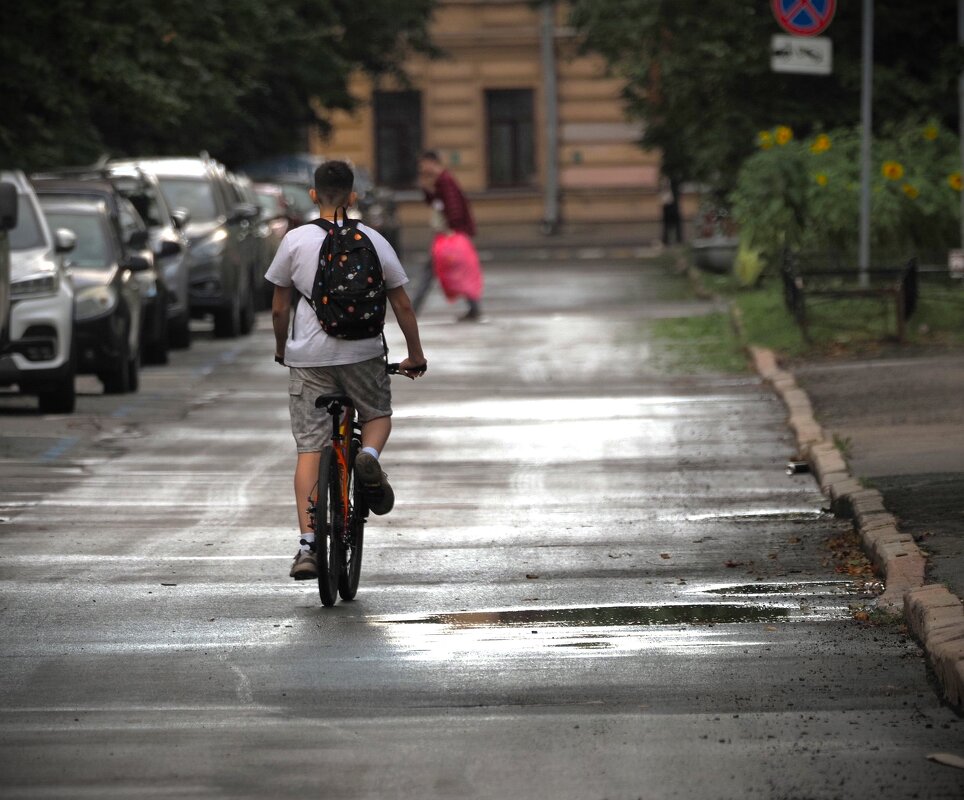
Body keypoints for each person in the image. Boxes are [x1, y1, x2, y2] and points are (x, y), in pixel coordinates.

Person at [266, 160, 427, 580]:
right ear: (353, 196)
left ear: (314, 195)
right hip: (364, 354)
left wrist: (284, 349)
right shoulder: (373, 238)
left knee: (310, 449)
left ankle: (308, 547)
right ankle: (368, 458)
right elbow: (402, 303)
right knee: (376, 416)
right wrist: (415, 354)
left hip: (309, 361)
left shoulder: (294, 240)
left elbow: (280, 306)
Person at [414, 150, 483, 321]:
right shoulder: (441, 181)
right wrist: (426, 188)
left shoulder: (445, 181)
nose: (422, 168)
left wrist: (452, 230)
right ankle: (474, 308)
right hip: (449, 235)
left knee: (431, 270)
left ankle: (412, 308)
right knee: (459, 270)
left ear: (432, 163)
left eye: (424, 164)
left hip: (450, 236)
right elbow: (435, 202)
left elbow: (453, 206)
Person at [659, 174, 683, 246]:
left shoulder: (673, 183)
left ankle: (678, 240)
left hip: (673, 208)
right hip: (667, 208)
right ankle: (666, 240)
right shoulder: (664, 185)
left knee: (676, 225)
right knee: (667, 226)